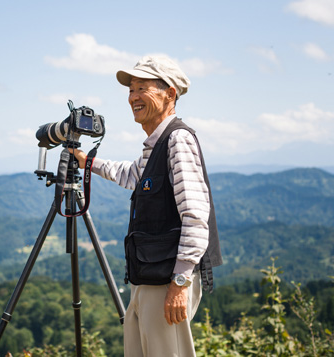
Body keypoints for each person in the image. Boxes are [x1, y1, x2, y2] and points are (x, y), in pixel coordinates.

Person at [70, 55, 222, 357]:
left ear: (170, 94)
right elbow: (132, 175)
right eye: (130, 90)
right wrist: (90, 164)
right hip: (150, 275)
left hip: (168, 277)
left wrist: (180, 282)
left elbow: (194, 215)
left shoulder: (177, 139)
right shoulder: (157, 143)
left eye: (143, 88)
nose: (133, 97)